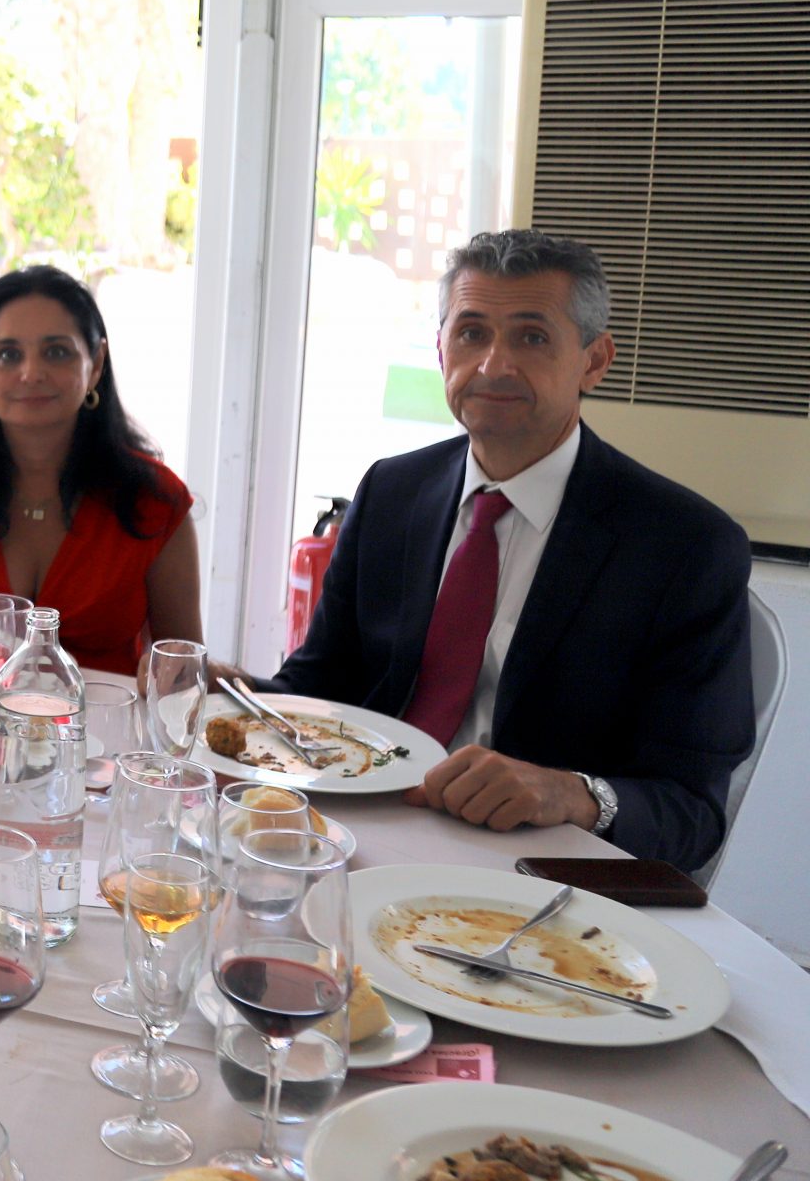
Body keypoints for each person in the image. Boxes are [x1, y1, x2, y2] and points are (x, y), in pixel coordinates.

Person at [272, 230, 752, 872]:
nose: (493, 365)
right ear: (441, 349)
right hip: (358, 834)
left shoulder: (684, 547)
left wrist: (571, 793)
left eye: (531, 337)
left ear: (595, 361)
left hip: (534, 873)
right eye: (471, 333)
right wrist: (230, 694)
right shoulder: (392, 491)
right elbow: (314, 687)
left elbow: (692, 812)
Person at [0, 264, 201, 675]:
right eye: (8, 355)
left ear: (95, 364)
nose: (31, 373)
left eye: (56, 352)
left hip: (105, 717)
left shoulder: (158, 500)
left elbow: (182, 672)